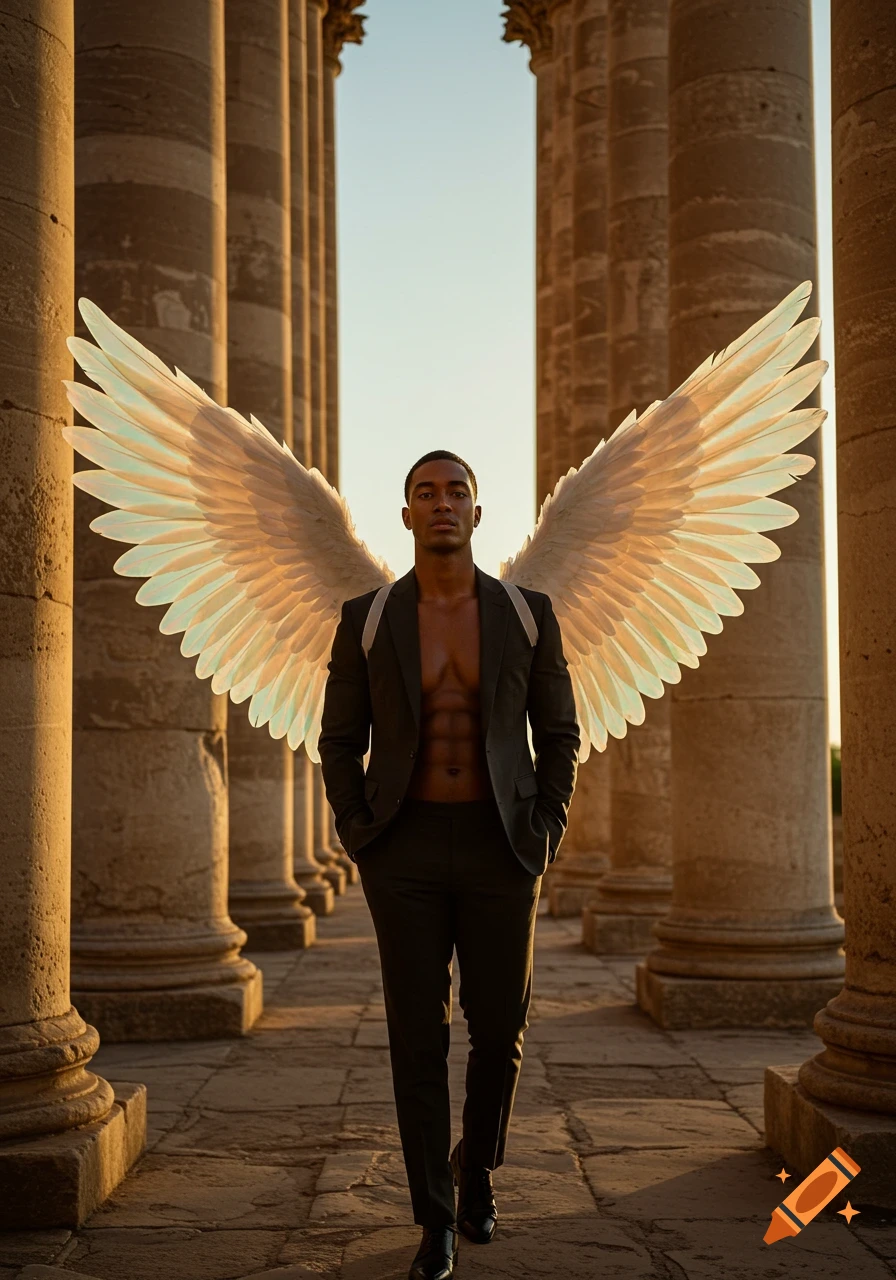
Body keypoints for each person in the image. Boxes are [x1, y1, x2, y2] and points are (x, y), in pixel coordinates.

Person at [318, 450, 580, 1280]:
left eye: (456, 491)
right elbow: (337, 739)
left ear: (477, 511)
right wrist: (361, 832)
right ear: (405, 516)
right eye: (426, 493)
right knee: (415, 1040)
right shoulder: (366, 616)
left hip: (504, 846)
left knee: (499, 1033)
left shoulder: (528, 612)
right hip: (407, 850)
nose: (442, 504)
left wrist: (545, 830)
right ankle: (434, 1219)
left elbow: (560, 733)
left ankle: (477, 1168)